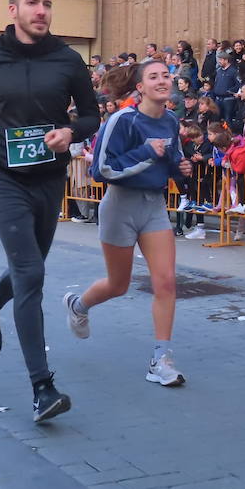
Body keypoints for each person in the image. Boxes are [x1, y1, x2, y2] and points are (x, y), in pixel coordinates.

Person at [0, 0, 101, 424]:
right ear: (13, 9)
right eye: (33, 3)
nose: (41, 11)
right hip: (5, 179)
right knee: (31, 272)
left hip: (49, 180)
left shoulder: (68, 59)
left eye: (47, 4)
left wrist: (71, 132)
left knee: (29, 266)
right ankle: (43, 387)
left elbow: (92, 113)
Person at [65, 60, 191, 387]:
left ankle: (160, 359)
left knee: (165, 283)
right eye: (154, 77)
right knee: (118, 284)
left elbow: (171, 161)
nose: (163, 80)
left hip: (154, 206)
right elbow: (101, 170)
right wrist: (147, 153)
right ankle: (78, 305)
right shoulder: (122, 120)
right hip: (119, 205)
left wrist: (182, 170)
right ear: (140, 87)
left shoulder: (172, 121)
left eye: (166, 75)